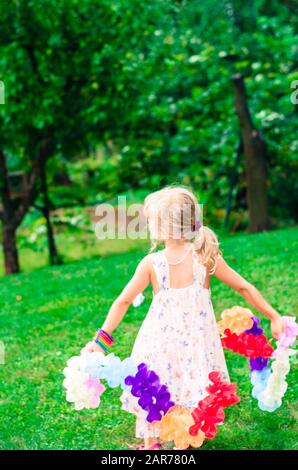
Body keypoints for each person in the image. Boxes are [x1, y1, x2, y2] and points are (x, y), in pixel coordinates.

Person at [82, 186, 284, 450]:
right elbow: (244, 287)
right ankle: (183, 446)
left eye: (152, 220)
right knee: (190, 387)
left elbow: (123, 301)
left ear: (164, 226)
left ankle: (152, 443)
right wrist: (273, 316)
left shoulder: (152, 263)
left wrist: (101, 340)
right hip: (196, 344)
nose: (149, 224)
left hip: (159, 343)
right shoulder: (205, 256)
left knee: (153, 387)